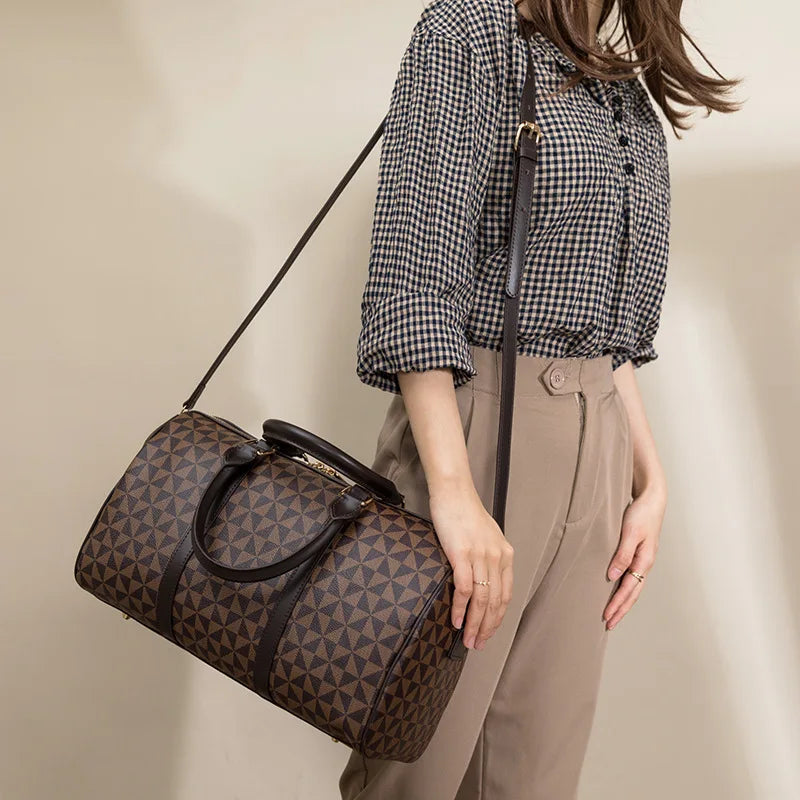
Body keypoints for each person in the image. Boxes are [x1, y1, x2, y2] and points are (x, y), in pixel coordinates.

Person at [340, 0, 742, 797]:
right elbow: (415, 282)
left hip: (598, 450)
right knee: (416, 772)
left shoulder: (620, 86)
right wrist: (451, 494)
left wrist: (649, 479)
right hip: (480, 429)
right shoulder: (468, 35)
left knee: (534, 778)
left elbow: (608, 331)